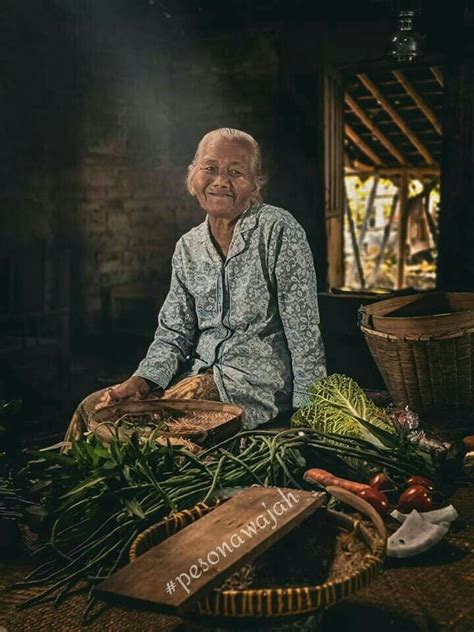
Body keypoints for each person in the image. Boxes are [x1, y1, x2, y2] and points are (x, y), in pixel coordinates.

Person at [64, 128, 326, 443]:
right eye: (210, 168)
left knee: (145, 426)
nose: (220, 181)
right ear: (192, 177)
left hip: (256, 387)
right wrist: (141, 381)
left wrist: (307, 412)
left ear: (256, 184)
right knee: (91, 409)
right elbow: (173, 335)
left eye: (236, 172)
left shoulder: (279, 231)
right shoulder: (188, 247)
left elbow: (304, 334)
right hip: (195, 379)